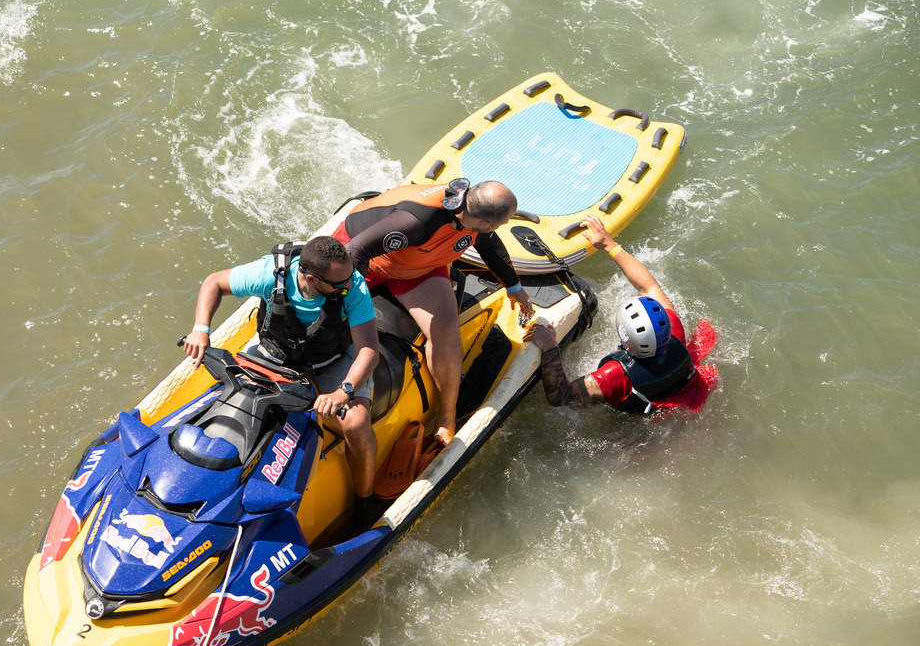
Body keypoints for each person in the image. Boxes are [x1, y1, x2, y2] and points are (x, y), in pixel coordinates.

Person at [333, 179, 535, 444]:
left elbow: (489, 244)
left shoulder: (473, 216)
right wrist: (352, 304)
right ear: (485, 220)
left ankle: (447, 417)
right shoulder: (417, 221)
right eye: (502, 221)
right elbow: (354, 251)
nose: (501, 226)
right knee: (333, 322)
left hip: (418, 266)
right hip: (363, 260)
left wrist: (514, 286)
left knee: (445, 330)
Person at [182, 236, 380, 499]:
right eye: (338, 283)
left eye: (348, 276)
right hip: (274, 353)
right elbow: (214, 283)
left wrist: (343, 392)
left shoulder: (352, 287)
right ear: (311, 278)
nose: (349, 284)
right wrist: (200, 329)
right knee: (231, 396)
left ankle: (365, 498)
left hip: (331, 359)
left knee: (355, 423)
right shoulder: (270, 273)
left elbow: (368, 350)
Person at [529, 214, 717, 413]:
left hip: (644, 413)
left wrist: (550, 347)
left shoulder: (616, 376)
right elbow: (649, 287)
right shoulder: (675, 332)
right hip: (680, 388)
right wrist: (610, 245)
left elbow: (562, 397)